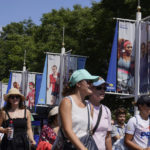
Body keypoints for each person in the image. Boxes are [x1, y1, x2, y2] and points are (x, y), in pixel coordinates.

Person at [52, 69, 99, 150]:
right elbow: (68, 130)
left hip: (86, 145)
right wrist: (83, 149)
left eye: (92, 82)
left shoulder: (89, 106)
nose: (91, 85)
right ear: (78, 84)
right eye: (88, 82)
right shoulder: (67, 102)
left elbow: (88, 132)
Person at [88, 77, 112, 150]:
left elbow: (107, 137)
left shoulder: (106, 110)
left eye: (104, 88)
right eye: (99, 88)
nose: (102, 90)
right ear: (90, 89)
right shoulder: (83, 106)